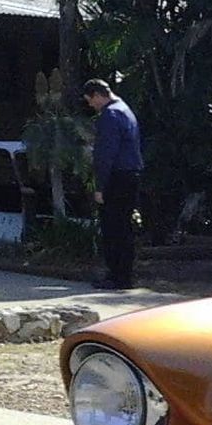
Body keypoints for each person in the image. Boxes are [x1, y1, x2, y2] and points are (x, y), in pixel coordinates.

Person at [82, 78, 142, 290]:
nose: (91, 105)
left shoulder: (110, 115)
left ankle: (116, 276)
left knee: (113, 228)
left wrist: (99, 187)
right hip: (130, 174)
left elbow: (106, 154)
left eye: (91, 100)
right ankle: (124, 275)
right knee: (124, 228)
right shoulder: (125, 109)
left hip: (116, 177)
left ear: (98, 95)